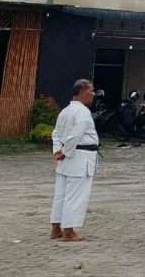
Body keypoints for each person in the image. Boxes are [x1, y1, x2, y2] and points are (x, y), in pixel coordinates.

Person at [50, 79, 99, 242]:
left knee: (61, 194)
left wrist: (58, 150)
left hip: (68, 158)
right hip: (79, 158)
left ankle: (56, 228)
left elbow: (56, 134)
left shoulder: (65, 111)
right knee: (75, 195)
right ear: (81, 92)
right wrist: (64, 151)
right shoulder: (82, 112)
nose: (93, 94)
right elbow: (75, 135)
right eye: (91, 90)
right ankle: (69, 231)